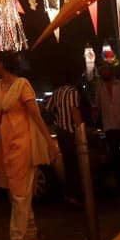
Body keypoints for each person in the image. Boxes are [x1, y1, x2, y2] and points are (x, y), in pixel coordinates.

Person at [0, 51, 60, 240]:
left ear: (2, 64)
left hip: (22, 143)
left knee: (20, 194)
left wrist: (49, 142)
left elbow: (36, 115)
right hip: (5, 143)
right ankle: (31, 235)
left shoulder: (22, 85)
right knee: (15, 192)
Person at [46, 66, 84, 207]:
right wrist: (81, 131)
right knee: (75, 164)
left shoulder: (57, 92)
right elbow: (75, 111)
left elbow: (48, 108)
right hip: (70, 132)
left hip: (60, 131)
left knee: (68, 163)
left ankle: (68, 194)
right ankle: (75, 195)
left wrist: (58, 117)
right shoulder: (72, 92)